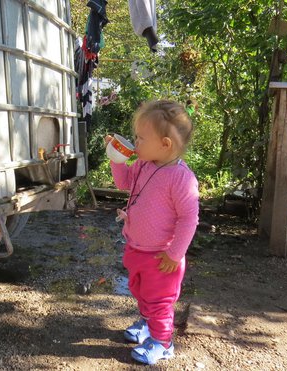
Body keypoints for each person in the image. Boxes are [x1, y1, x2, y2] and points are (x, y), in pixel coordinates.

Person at [105, 100, 199, 365]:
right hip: (137, 248)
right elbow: (124, 183)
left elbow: (189, 218)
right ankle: (147, 325)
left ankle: (163, 342)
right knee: (141, 292)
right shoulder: (145, 164)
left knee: (159, 302)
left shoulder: (180, 178)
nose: (136, 143)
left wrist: (175, 253)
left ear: (165, 144)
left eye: (140, 138)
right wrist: (117, 160)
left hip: (162, 257)